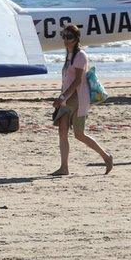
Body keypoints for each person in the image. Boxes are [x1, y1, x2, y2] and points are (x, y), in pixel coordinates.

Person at [50, 24, 114, 176]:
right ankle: (64, 167)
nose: (66, 40)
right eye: (64, 36)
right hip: (65, 99)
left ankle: (106, 156)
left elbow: (78, 81)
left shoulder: (80, 56)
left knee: (79, 134)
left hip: (77, 99)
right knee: (62, 131)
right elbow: (67, 79)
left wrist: (63, 97)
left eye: (69, 37)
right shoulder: (68, 55)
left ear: (76, 38)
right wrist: (61, 97)